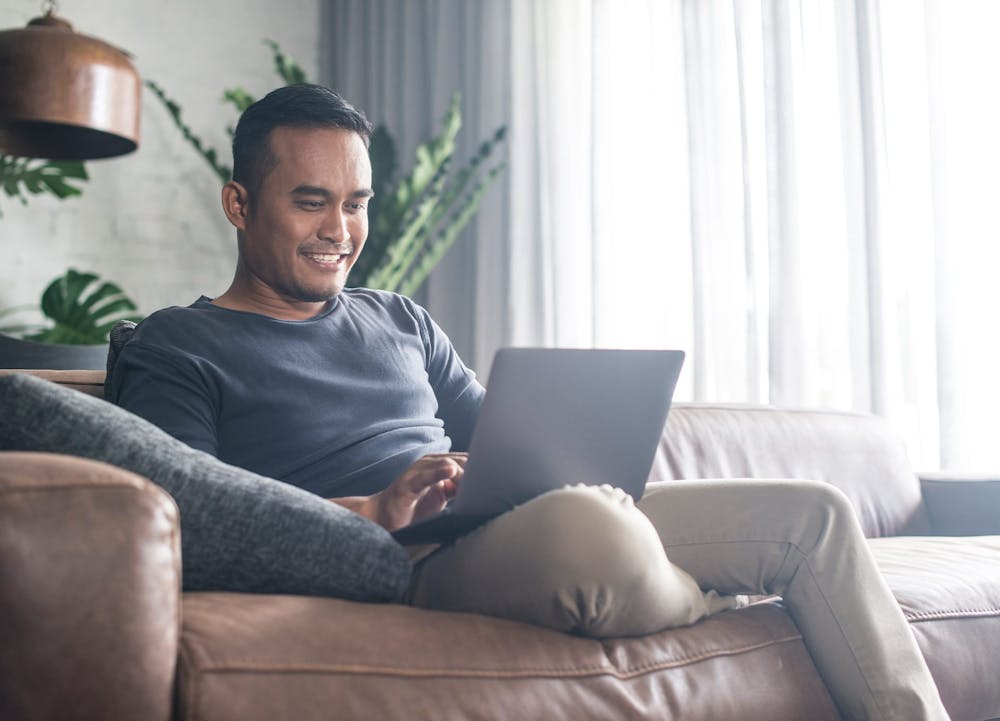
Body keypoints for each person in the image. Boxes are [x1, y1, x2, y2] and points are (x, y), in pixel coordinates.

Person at [112, 84, 949, 721]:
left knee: (814, 514)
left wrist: (571, 458)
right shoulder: (177, 346)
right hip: (403, 558)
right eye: (311, 201)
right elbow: (188, 522)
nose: (341, 229)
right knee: (595, 530)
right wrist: (372, 510)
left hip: (515, 522)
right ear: (239, 203)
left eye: (356, 202)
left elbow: (507, 441)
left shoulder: (399, 318)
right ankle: (710, 593)